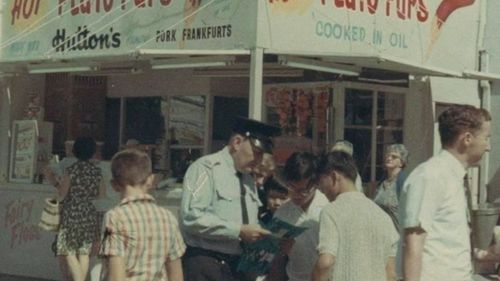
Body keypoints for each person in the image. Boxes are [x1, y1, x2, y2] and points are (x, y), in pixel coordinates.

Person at [180, 117, 281, 281]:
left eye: (261, 155)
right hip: (207, 264)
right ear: (237, 142)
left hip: (238, 266)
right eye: (256, 153)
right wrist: (238, 231)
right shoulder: (206, 168)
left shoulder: (248, 178)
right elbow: (191, 217)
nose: (258, 160)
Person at [398, 104, 491, 281]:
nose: (488, 147)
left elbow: (447, 239)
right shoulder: (431, 176)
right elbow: (413, 241)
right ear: (467, 138)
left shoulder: (453, 177)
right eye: (486, 138)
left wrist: (483, 255)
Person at [99, 149, 185, 281]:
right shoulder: (168, 218)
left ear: (114, 185)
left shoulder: (115, 217)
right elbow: (176, 274)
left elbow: (116, 276)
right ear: (150, 180)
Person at [312, 151, 399, 281]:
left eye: (321, 182)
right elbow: (391, 274)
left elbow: (326, 262)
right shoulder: (383, 216)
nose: (321, 189)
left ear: (334, 176)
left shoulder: (332, 211)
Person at [268, 152, 330, 281]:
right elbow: (274, 260)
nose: (296, 195)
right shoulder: (282, 213)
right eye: (291, 188)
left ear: (316, 184)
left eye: (303, 191)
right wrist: (281, 251)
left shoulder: (328, 207)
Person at [55, 137, 105, 281]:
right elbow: (101, 195)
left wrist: (56, 185)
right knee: (84, 253)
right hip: (89, 213)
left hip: (72, 212)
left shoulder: (71, 170)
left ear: (75, 151)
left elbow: (62, 195)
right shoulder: (97, 172)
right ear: (92, 152)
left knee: (68, 250)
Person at [373, 143, 409, 232]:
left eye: (394, 156)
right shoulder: (382, 182)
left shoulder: (403, 181)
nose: (389, 158)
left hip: (397, 235)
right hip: (382, 234)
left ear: (401, 162)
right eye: (388, 155)